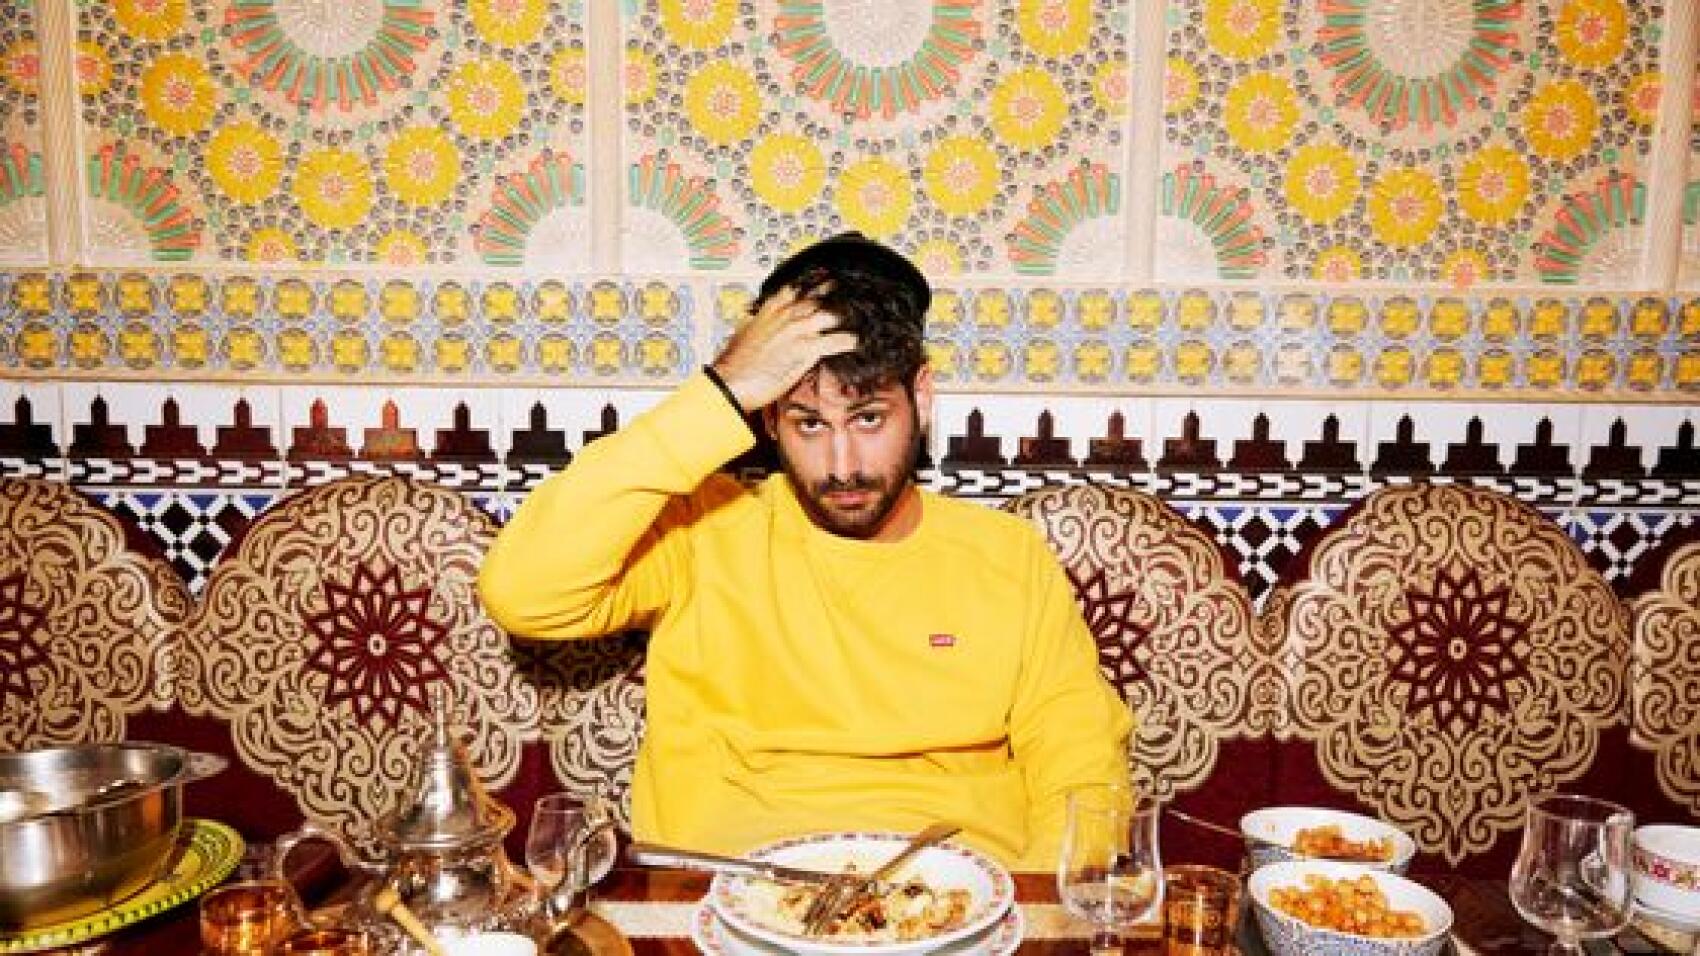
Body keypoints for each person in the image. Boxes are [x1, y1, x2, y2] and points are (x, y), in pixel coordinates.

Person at [479, 233, 1131, 870]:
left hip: (954, 895)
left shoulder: (1007, 555)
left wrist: (1042, 912)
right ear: (769, 419)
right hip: (728, 889)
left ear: (922, 397)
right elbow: (524, 593)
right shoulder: (700, 530)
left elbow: (1080, 766)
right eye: (809, 423)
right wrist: (721, 392)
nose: (842, 466)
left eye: (869, 418)